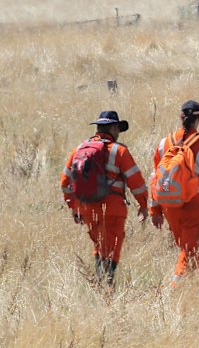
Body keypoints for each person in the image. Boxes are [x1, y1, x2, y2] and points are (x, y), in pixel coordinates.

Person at [60, 111, 149, 286]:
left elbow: (65, 183)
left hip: (87, 208)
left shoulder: (79, 149)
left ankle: (102, 286)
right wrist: (144, 205)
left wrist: (75, 207)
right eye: (118, 128)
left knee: (100, 247)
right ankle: (105, 289)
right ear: (114, 127)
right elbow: (136, 182)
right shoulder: (119, 151)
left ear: (98, 128)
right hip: (112, 208)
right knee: (110, 252)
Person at [150, 100, 199, 286]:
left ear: (181, 117)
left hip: (170, 205)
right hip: (195, 205)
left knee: (190, 251)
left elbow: (155, 178)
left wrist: (155, 209)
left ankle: (195, 290)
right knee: (190, 252)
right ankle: (176, 289)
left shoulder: (164, 144)